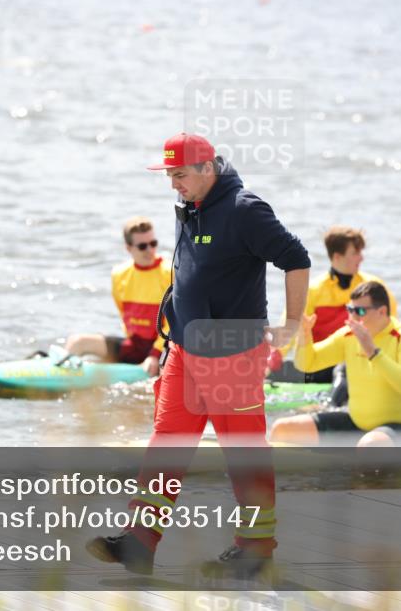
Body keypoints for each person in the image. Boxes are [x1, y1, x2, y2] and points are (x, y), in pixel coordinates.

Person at [86, 132, 310, 580]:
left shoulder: (246, 209)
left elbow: (296, 257)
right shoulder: (191, 203)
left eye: (180, 174)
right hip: (184, 349)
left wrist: (292, 324)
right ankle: (139, 541)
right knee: (167, 441)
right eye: (169, 175)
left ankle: (256, 548)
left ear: (208, 168)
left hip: (232, 352)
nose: (173, 183)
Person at [269, 281, 401, 447]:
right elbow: (307, 364)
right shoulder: (349, 336)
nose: (353, 317)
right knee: (282, 429)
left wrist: (373, 353)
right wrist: (305, 334)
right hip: (362, 427)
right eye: (350, 310)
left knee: (370, 445)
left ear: (382, 311)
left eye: (361, 311)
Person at [269, 226, 397, 406]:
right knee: (284, 367)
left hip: (359, 360)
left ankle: (330, 408)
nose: (361, 258)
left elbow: (392, 326)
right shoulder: (314, 291)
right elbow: (289, 324)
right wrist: (275, 355)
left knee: (344, 367)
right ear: (337, 256)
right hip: (321, 363)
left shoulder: (374, 288)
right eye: (355, 253)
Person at [62, 217, 170, 377]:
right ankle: (57, 375)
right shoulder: (119, 274)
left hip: (161, 349)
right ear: (128, 248)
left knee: (163, 374)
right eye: (142, 246)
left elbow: (172, 325)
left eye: (153, 243)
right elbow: (123, 314)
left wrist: (154, 355)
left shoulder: (170, 273)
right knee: (77, 342)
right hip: (133, 345)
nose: (150, 250)